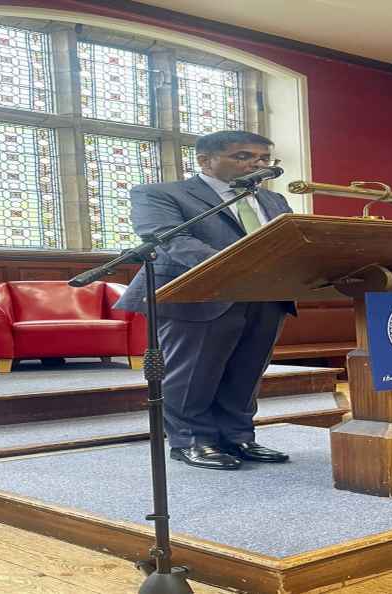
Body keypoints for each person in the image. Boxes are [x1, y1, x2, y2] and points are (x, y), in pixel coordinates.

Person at [115, 130, 295, 470]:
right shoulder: (160, 194)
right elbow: (171, 240)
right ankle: (191, 440)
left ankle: (238, 437)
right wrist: (242, 267)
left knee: (247, 371)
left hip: (265, 296)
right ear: (204, 160)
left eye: (262, 158)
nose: (256, 164)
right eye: (243, 156)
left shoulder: (274, 201)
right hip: (196, 295)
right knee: (193, 372)